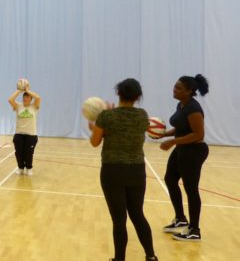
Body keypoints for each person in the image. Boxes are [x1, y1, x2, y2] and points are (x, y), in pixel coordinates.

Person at [88, 78, 157, 261]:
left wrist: (95, 127)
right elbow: (132, 128)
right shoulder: (143, 115)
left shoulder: (106, 116)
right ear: (137, 97)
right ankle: (151, 256)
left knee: (119, 219)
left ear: (118, 93)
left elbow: (95, 142)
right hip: (137, 171)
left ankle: (119, 259)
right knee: (137, 214)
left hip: (113, 171)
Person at [159, 74, 209, 241]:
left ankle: (194, 230)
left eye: (179, 88)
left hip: (194, 150)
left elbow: (198, 134)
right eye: (175, 86)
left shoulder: (193, 108)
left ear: (189, 91)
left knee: (191, 189)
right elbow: (181, 126)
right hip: (183, 148)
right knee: (170, 179)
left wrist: (172, 141)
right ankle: (180, 219)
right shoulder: (181, 105)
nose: (174, 89)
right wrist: (164, 134)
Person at [8, 84, 41, 176]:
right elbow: (10, 100)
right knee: (18, 153)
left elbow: (38, 97)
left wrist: (27, 90)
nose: (25, 98)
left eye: (27, 97)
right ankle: (20, 167)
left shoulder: (34, 107)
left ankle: (29, 168)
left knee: (28, 153)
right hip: (19, 134)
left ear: (30, 99)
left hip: (31, 135)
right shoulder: (18, 106)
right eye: (24, 96)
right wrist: (19, 90)